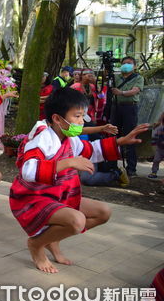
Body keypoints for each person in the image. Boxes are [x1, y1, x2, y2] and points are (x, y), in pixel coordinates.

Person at [9, 87, 148, 273]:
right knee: (77, 221)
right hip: (33, 198)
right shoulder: (42, 138)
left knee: (103, 212)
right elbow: (28, 170)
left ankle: (52, 239)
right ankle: (36, 244)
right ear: (57, 118)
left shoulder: (69, 137)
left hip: (57, 196)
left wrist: (121, 141)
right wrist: (68, 162)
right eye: (77, 116)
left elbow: (91, 151)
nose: (81, 122)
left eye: (83, 116)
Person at [110, 56, 145, 177]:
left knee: (130, 135)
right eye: (124, 63)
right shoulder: (115, 77)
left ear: (134, 66)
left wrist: (121, 93)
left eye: (129, 63)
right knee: (113, 134)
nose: (126, 65)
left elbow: (135, 91)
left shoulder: (138, 78)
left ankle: (131, 168)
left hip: (130, 107)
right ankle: (112, 166)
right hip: (116, 107)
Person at [149, 112, 164, 179]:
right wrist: (154, 143)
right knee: (156, 160)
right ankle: (154, 172)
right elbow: (154, 134)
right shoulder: (160, 128)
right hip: (160, 148)